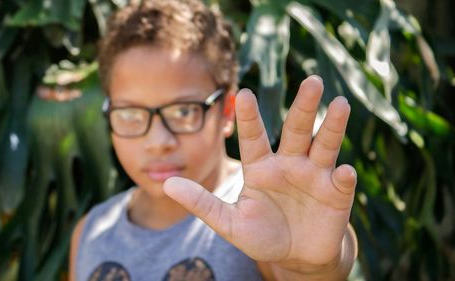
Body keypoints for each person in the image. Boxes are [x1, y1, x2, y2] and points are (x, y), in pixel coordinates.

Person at [69, 0, 358, 280]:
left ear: (227, 111)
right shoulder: (91, 232)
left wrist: (310, 266)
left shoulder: (266, 208)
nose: (158, 141)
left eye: (184, 111)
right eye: (130, 113)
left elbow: (309, 264)